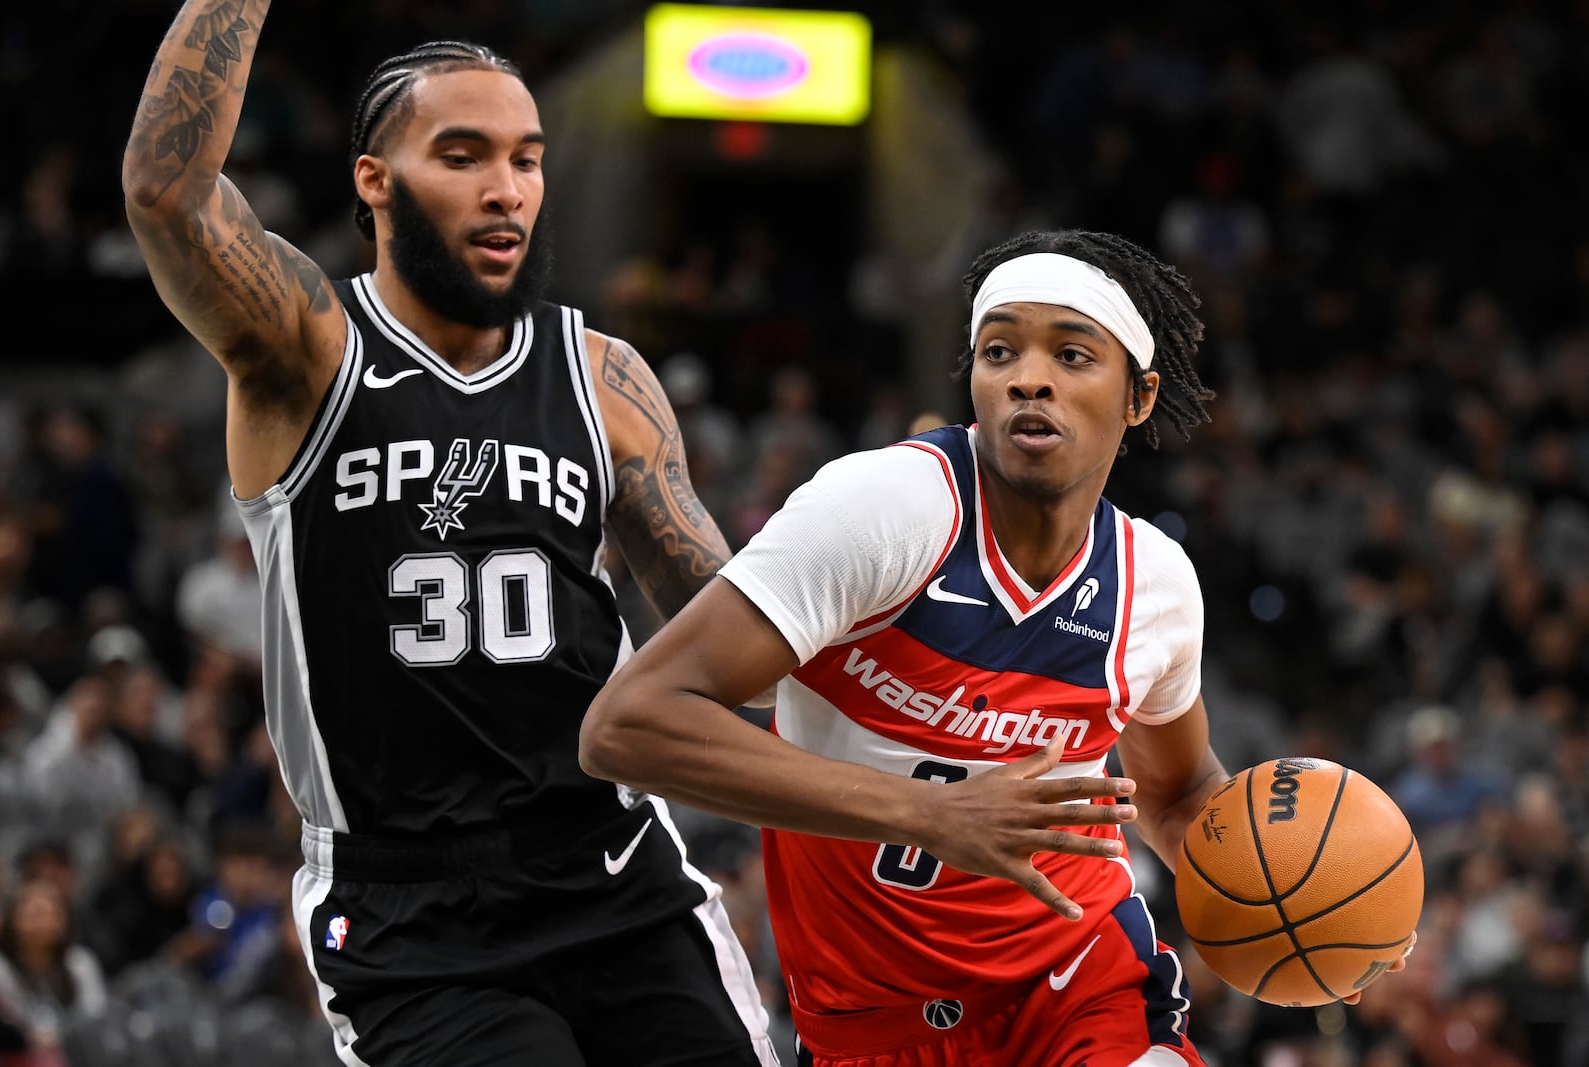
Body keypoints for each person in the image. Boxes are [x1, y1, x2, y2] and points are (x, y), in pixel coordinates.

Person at [583, 229, 1412, 1066]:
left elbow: (1176, 792)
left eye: (1073, 353)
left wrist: (1330, 909)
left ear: (1139, 396)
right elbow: (628, 725)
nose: (1029, 376)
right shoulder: (884, 511)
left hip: (1076, 979)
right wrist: (930, 814)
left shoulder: (1155, 585)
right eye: (999, 349)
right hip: (870, 1017)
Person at [122, 8, 777, 1065]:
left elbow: (731, 627)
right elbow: (166, 192)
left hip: (609, 863)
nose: (504, 185)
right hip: (407, 907)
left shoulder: (602, 378)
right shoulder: (307, 350)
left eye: (525, 158)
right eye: (461, 154)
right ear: (375, 180)